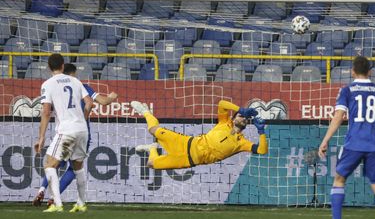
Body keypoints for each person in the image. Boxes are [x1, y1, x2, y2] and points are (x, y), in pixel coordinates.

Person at [318, 56, 375, 219]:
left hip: (354, 143)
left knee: (339, 179)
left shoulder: (347, 90)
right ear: (370, 72)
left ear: (352, 71)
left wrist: (325, 140)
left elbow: (338, 117)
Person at [33, 63, 118, 209]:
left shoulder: (54, 86)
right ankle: (56, 199)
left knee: (54, 163)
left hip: (64, 132)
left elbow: (47, 110)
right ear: (74, 73)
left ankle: (42, 189)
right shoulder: (81, 85)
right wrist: (112, 97)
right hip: (82, 132)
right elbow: (99, 102)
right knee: (74, 169)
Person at [130, 100, 267, 169]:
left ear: (246, 124)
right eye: (240, 116)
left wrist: (261, 132)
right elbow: (221, 103)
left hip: (189, 160)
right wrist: (240, 109)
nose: (242, 118)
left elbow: (262, 150)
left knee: (151, 164)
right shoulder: (223, 123)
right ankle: (145, 111)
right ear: (234, 118)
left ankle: (152, 148)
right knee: (153, 130)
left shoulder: (241, 143)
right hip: (186, 142)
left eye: (244, 118)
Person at [35, 54, 93, 213]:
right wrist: (83, 117)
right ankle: (81, 203)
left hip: (66, 131)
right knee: (78, 167)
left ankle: (57, 204)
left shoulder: (48, 84)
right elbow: (89, 102)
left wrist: (41, 137)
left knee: (49, 165)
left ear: (49, 67)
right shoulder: (75, 81)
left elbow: (46, 112)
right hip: (82, 129)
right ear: (62, 65)